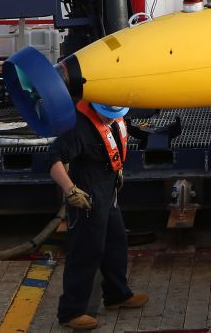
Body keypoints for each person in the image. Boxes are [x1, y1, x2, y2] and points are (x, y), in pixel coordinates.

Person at [48, 101, 148, 330]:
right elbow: (53, 160)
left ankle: (117, 295)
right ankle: (71, 312)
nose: (112, 119)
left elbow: (114, 143)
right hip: (87, 199)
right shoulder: (78, 127)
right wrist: (70, 190)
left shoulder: (116, 117)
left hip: (108, 193)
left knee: (116, 243)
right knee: (86, 252)